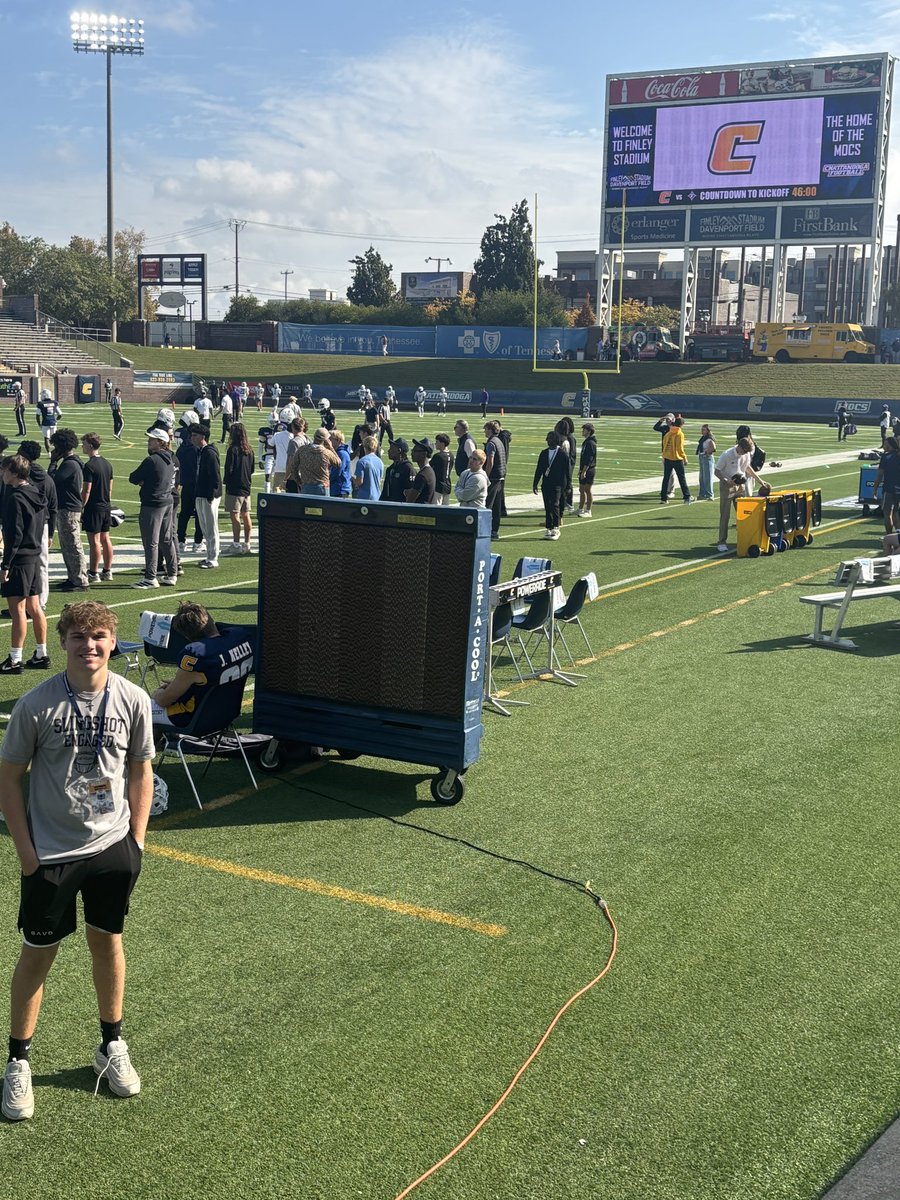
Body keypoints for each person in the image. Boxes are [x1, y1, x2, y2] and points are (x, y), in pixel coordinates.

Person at [0, 600, 153, 1122]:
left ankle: (111, 1044)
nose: (90, 645)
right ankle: (18, 1061)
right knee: (37, 956)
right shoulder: (36, 705)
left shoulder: (132, 698)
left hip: (112, 847)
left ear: (112, 641)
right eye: (79, 637)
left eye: (99, 636)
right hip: (51, 854)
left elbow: (141, 769)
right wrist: (27, 855)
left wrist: (136, 841)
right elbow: (8, 780)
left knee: (107, 942)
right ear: (63, 641)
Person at [150, 601, 254, 727]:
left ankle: (151, 740)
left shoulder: (196, 656)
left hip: (196, 720)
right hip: (229, 713)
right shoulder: (240, 637)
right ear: (211, 620)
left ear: (186, 636)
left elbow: (164, 701)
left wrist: (158, 694)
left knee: (142, 708)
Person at [0, 454, 49, 674]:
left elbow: (15, 534)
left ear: (13, 472)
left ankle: (15, 659)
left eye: (4, 470)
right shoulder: (35, 492)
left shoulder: (15, 498)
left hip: (20, 559)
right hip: (34, 556)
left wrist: (6, 565)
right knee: (34, 607)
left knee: (18, 610)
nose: (2, 474)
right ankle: (41, 653)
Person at [129, 427, 177, 588]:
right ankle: (172, 573)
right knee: (166, 539)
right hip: (167, 501)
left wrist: (144, 482)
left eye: (152, 439)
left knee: (151, 541)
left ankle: (150, 577)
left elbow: (133, 477)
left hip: (153, 503)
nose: (149, 442)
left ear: (161, 442)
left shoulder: (152, 460)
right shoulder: (170, 458)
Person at [48, 429, 89, 592]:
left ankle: (80, 580)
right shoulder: (74, 462)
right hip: (68, 507)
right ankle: (73, 577)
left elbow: (52, 481)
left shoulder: (69, 464)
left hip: (69, 508)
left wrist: (52, 462)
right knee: (67, 545)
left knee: (72, 545)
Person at [714, 436, 768, 552]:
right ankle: (722, 542)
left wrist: (760, 480)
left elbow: (748, 468)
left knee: (743, 514)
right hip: (727, 486)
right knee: (725, 515)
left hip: (741, 485)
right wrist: (726, 480)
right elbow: (717, 471)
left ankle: (745, 538)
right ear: (739, 446)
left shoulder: (746, 454)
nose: (745, 453)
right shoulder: (727, 455)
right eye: (744, 451)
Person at [80, 433, 114, 583]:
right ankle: (107, 570)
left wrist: (81, 506)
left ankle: (93, 573)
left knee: (94, 541)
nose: (82, 446)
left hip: (94, 507)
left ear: (90, 445)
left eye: (84, 444)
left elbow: (87, 490)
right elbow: (110, 488)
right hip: (105, 505)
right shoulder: (107, 463)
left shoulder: (89, 466)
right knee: (105, 539)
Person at [190, 425, 222, 570]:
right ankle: (209, 555)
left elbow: (215, 475)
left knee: (211, 527)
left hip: (209, 495)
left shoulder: (209, 453)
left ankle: (213, 558)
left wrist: (211, 494)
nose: (192, 438)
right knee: (204, 527)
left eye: (195, 435)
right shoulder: (201, 451)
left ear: (203, 437)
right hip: (201, 493)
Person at [223, 423, 255, 556]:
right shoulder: (249, 450)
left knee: (235, 515)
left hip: (234, 487)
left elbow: (229, 468)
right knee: (246, 514)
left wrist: (226, 481)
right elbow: (252, 469)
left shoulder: (232, 450)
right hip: (246, 485)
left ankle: (236, 544)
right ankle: (247, 543)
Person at [533, 430, 571, 540]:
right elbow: (539, 469)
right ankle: (548, 527)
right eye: (548, 439)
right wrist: (535, 483)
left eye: (551, 439)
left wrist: (568, 485)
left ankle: (556, 527)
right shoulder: (544, 453)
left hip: (558, 484)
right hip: (546, 484)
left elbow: (567, 471)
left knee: (555, 505)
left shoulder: (562, 454)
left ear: (556, 440)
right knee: (547, 506)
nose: (549, 441)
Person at [287, 427, 340, 496]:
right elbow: (338, 463)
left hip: (306, 485)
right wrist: (331, 448)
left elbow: (293, 467)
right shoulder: (326, 452)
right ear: (326, 440)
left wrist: (299, 482)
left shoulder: (302, 450)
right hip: (322, 486)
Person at [660, 417, 694, 504]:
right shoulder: (680, 434)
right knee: (681, 478)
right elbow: (680, 449)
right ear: (682, 425)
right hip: (677, 459)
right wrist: (685, 458)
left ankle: (663, 498)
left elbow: (664, 445)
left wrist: (664, 456)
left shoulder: (668, 433)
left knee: (666, 479)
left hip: (667, 458)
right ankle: (687, 497)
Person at [483, 420, 507, 539]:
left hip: (493, 477)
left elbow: (490, 462)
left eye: (486, 429)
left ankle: (485, 530)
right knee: (497, 506)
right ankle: (494, 531)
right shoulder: (499, 441)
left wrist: (485, 476)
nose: (484, 431)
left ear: (490, 430)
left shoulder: (491, 443)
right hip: (501, 476)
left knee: (488, 505)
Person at [871, 436, 900, 535]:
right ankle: (898, 535)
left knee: (887, 513)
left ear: (890, 445)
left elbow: (879, 475)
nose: (884, 446)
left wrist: (875, 489)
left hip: (889, 489)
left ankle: (889, 535)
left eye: (885, 444)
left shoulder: (886, 457)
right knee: (896, 512)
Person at [381, 438, 415, 502]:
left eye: (391, 448)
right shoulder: (390, 469)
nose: (388, 451)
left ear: (399, 450)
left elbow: (412, 491)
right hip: (390, 505)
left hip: (401, 506)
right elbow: (385, 492)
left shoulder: (408, 468)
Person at [405, 438, 437, 504]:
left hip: (419, 510)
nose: (412, 453)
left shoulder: (422, 475)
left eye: (415, 451)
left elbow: (410, 500)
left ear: (424, 454)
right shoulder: (429, 471)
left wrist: (406, 492)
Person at [653, 412, 676, 497]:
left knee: (671, 473)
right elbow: (655, 428)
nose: (667, 421)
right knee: (666, 473)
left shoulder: (675, 428)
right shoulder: (665, 428)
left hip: (673, 453)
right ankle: (666, 490)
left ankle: (671, 491)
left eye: (669, 419)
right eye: (666, 419)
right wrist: (660, 421)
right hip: (665, 452)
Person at [578, 423, 597, 516]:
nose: (582, 431)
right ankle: (580, 509)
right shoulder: (586, 442)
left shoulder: (591, 443)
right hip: (584, 469)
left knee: (587, 490)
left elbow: (589, 459)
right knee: (581, 489)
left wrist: (584, 471)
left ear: (589, 431)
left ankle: (588, 510)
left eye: (584, 430)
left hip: (589, 469)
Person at [329, 430, 352, 498]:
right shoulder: (338, 452)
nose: (329, 441)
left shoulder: (342, 454)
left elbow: (337, 471)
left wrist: (326, 479)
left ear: (338, 440)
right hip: (336, 488)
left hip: (340, 489)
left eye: (330, 439)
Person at [696, 424, 716, 501]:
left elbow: (713, 447)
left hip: (707, 458)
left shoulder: (709, 439)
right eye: (702, 429)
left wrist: (706, 452)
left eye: (703, 429)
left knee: (707, 477)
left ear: (708, 431)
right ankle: (702, 494)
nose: (702, 431)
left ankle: (709, 494)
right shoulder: (704, 438)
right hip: (702, 457)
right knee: (702, 477)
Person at [37, 390, 61, 454]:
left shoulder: (41, 404)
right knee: (54, 438)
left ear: (44, 395)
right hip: (53, 422)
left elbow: (38, 415)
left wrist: (39, 424)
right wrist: (56, 420)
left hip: (45, 423)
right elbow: (60, 414)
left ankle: (49, 453)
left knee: (46, 438)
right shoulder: (54, 402)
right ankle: (57, 451)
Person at [431, 434, 453, 505]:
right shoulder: (451, 455)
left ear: (442, 443)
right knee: (445, 508)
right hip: (448, 485)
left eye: (437, 442)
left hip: (438, 486)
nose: (435, 444)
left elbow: (429, 467)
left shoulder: (438, 456)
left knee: (436, 508)